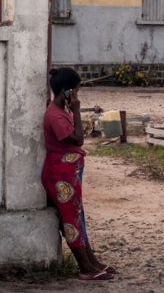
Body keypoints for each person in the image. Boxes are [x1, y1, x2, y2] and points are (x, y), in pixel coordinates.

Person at [42, 67, 116, 281]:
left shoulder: (59, 112)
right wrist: (76, 110)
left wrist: (72, 110)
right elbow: (78, 140)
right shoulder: (56, 115)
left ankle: (91, 262)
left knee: (77, 218)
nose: (77, 96)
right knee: (71, 220)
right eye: (75, 91)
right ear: (65, 91)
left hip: (67, 173)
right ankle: (85, 268)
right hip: (60, 175)